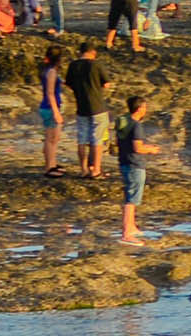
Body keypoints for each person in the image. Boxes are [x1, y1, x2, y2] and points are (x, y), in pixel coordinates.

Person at [112, 92, 149, 245]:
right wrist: (151, 149)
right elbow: (138, 148)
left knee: (131, 195)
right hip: (135, 164)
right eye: (145, 107)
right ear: (139, 108)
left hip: (124, 162)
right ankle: (127, 233)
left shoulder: (124, 122)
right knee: (131, 199)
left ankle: (132, 226)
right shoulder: (136, 125)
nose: (146, 110)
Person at [64, 40, 105, 175]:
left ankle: (83, 169)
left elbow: (68, 84)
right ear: (93, 52)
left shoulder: (73, 66)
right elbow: (106, 84)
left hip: (81, 106)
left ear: (80, 52)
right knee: (97, 139)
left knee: (82, 139)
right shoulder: (96, 65)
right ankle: (96, 169)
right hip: (97, 106)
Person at [34, 41, 67, 172]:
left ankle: (53, 163)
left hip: (49, 107)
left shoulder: (47, 70)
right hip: (50, 107)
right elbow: (50, 93)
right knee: (51, 138)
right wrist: (56, 112)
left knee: (54, 137)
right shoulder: (51, 72)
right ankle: (49, 166)